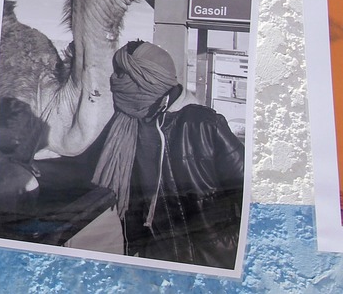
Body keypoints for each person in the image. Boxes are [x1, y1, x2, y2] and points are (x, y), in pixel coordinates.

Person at [91, 40, 245, 269]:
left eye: (123, 75)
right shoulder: (125, 125)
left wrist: (230, 246)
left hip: (209, 259)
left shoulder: (203, 124)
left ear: (148, 79)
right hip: (155, 257)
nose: (116, 81)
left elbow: (250, 192)